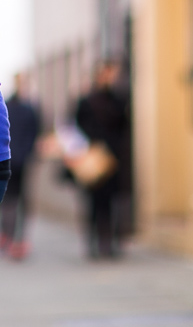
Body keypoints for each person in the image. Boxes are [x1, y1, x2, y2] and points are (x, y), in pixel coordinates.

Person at [73, 60, 132, 260]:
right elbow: (77, 126)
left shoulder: (118, 99)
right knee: (93, 203)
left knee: (110, 202)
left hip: (112, 159)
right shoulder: (87, 101)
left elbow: (123, 127)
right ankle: (93, 243)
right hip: (93, 158)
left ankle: (108, 242)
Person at [0, 73, 40, 260]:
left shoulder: (20, 108)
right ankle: (11, 237)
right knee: (12, 201)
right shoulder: (16, 107)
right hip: (15, 160)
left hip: (16, 160)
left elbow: (35, 133)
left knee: (13, 201)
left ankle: (13, 238)